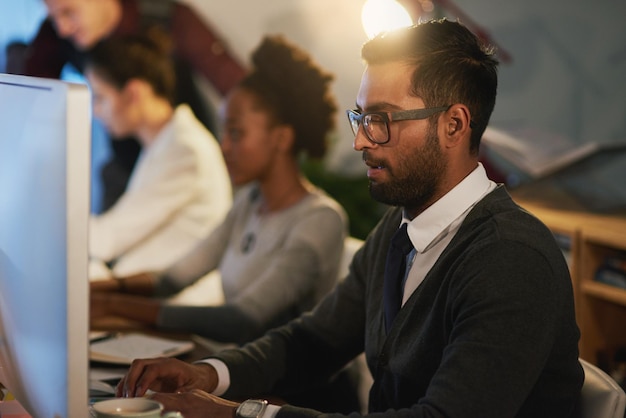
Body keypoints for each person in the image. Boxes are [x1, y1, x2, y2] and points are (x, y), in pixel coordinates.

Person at [113, 19, 585, 418]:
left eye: (381, 119)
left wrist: (243, 412)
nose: (361, 141)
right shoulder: (398, 233)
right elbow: (313, 341)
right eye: (360, 118)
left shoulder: (510, 260)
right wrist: (211, 373)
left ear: (454, 125)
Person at [90, 35, 349, 347]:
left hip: (296, 392)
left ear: (281, 138)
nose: (224, 146)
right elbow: (171, 280)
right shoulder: (249, 204)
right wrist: (101, 289)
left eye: (236, 133)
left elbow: (242, 320)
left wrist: (113, 305)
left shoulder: (320, 220)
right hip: (240, 371)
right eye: (224, 131)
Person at [16, 0, 246, 211]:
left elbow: (240, 89)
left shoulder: (167, 18)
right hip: (127, 167)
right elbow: (26, 99)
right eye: (53, 17)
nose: (63, 28)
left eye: (69, 12)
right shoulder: (56, 37)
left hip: (182, 164)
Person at [85, 30, 232, 278]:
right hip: (146, 288)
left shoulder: (186, 151)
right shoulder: (165, 142)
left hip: (176, 304)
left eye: (100, 97)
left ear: (134, 93)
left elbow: (107, 240)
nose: (96, 111)